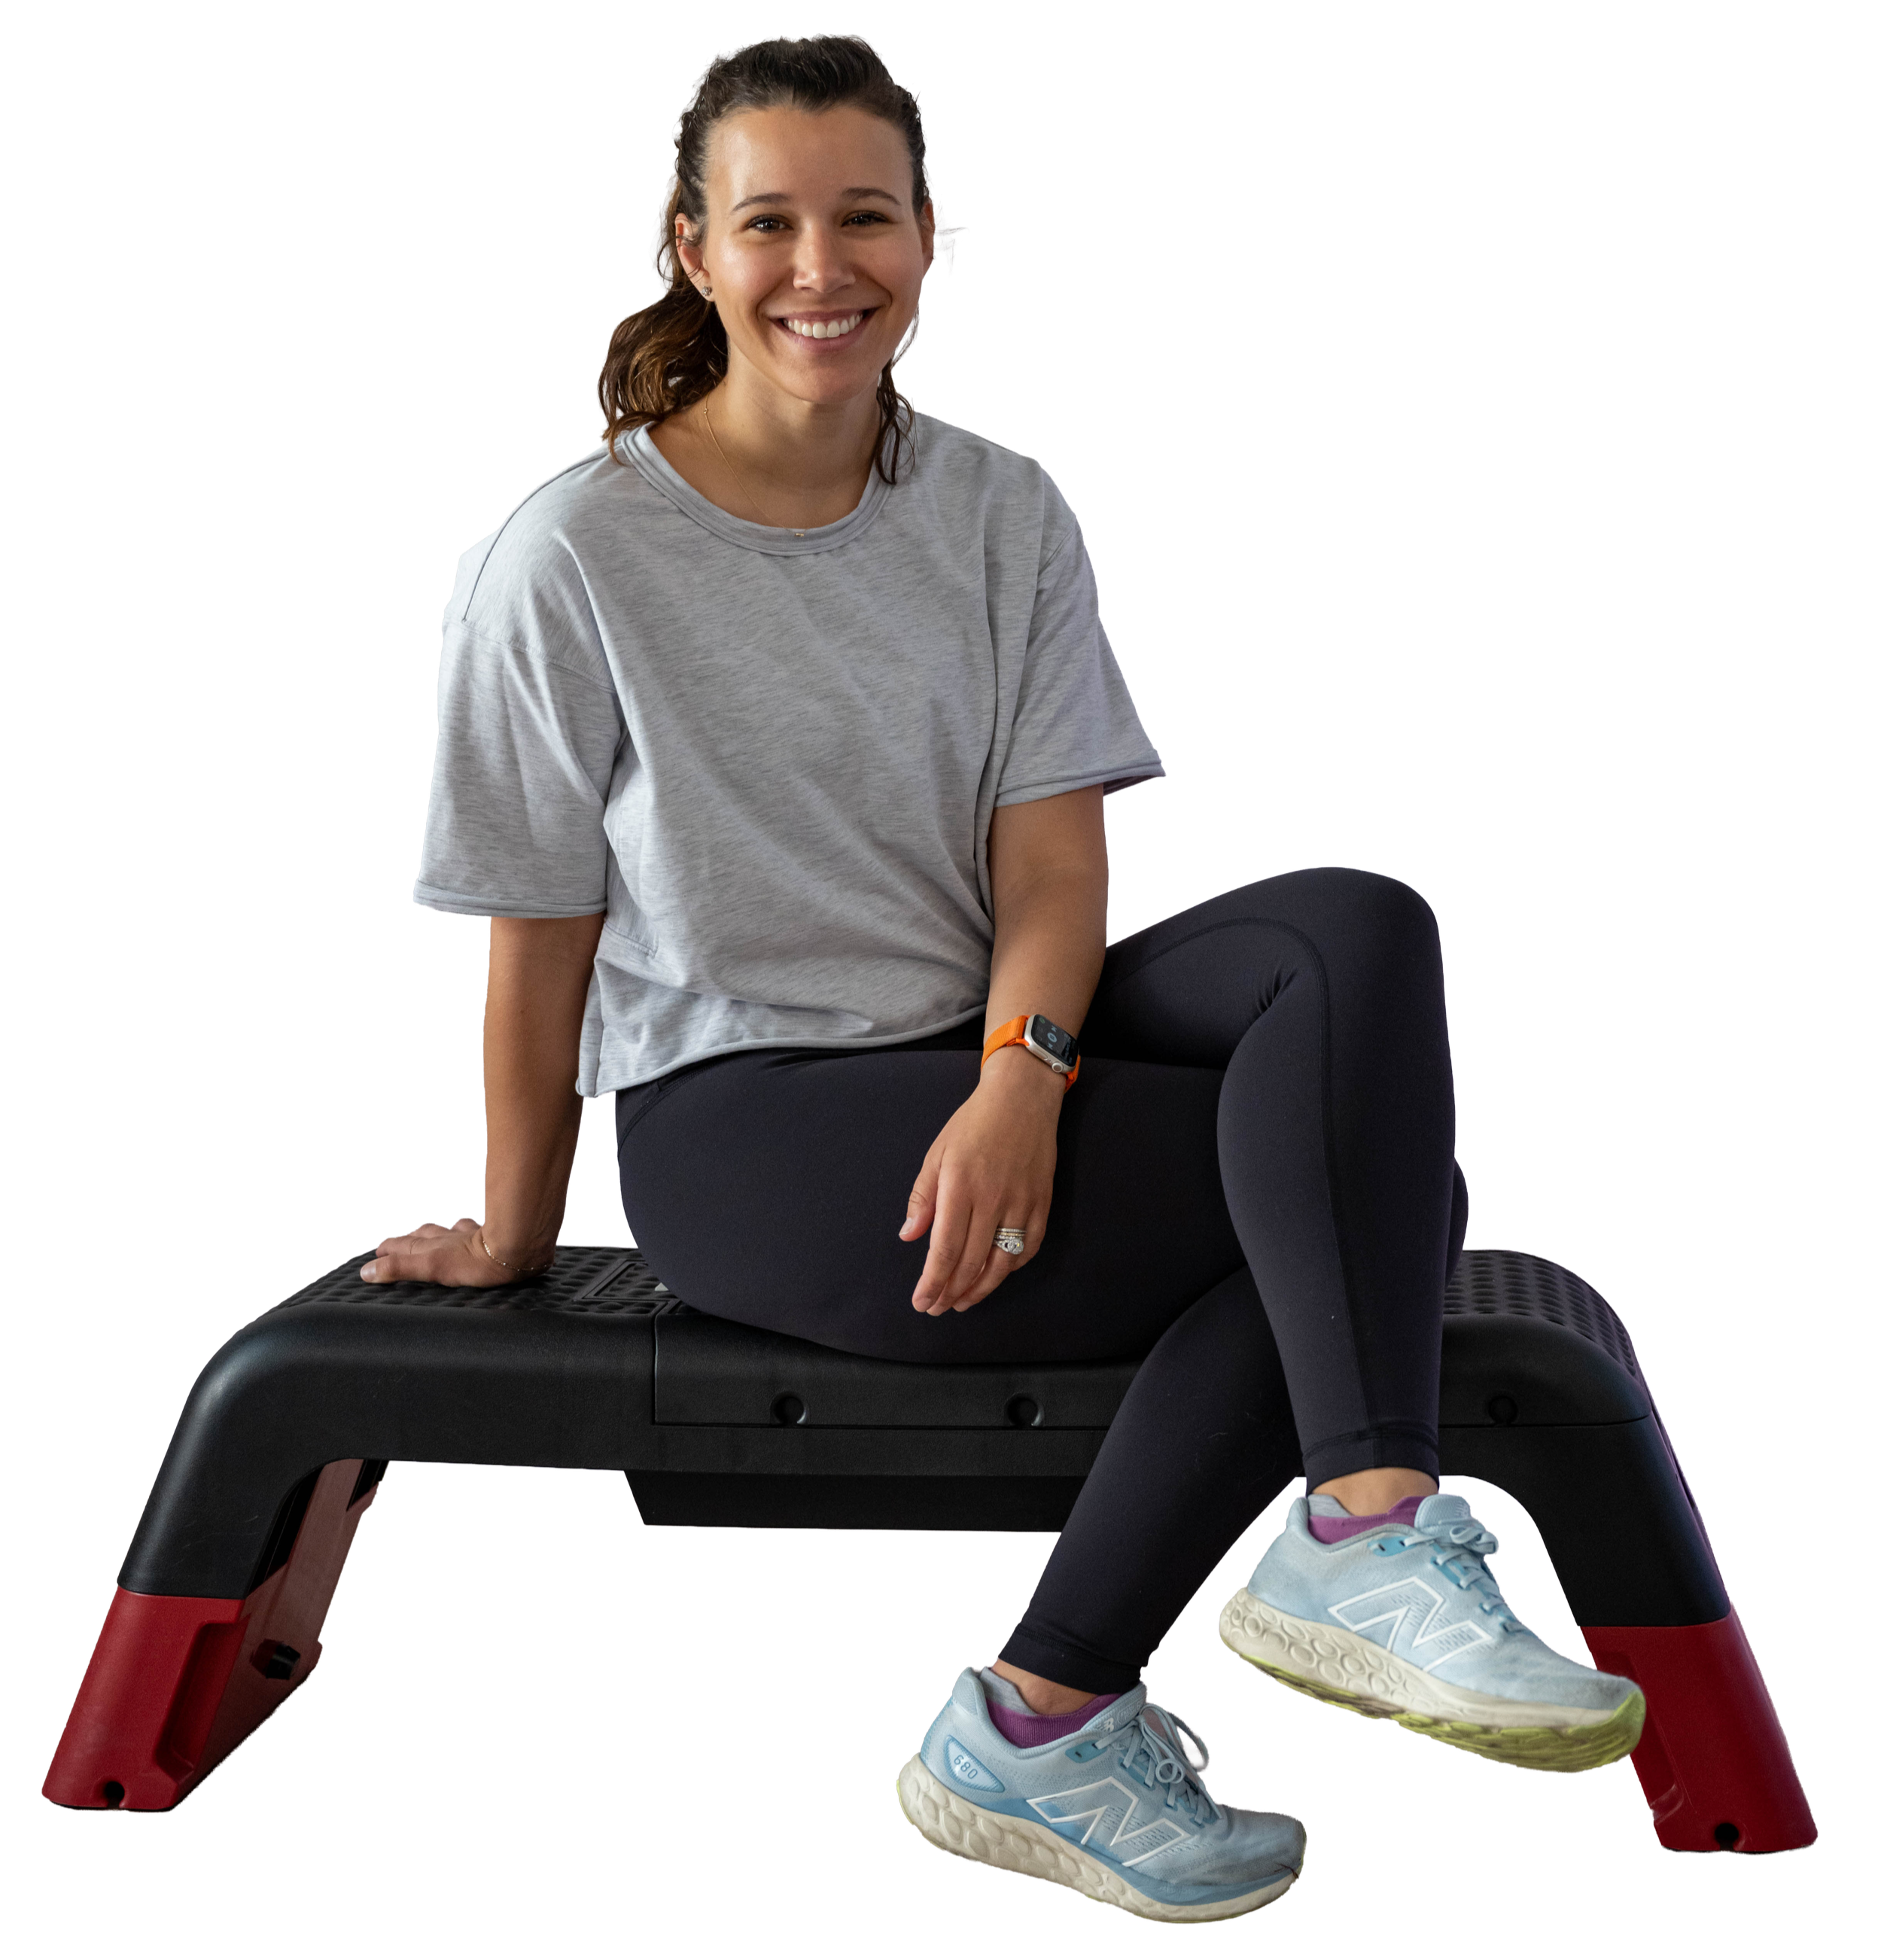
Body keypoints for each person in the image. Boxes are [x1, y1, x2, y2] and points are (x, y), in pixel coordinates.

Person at [375, 31, 1643, 1925]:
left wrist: (1019, 1079)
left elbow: (1054, 863)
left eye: (866, 216)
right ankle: (1055, 1709)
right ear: (689, 249)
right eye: (772, 223)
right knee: (1367, 1196)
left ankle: (1345, 1542)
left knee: (1354, 928)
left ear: (932, 237)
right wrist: (513, 1223)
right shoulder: (562, 560)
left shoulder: (997, 509)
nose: (825, 267)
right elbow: (533, 935)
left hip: (979, 1034)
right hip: (753, 1114)